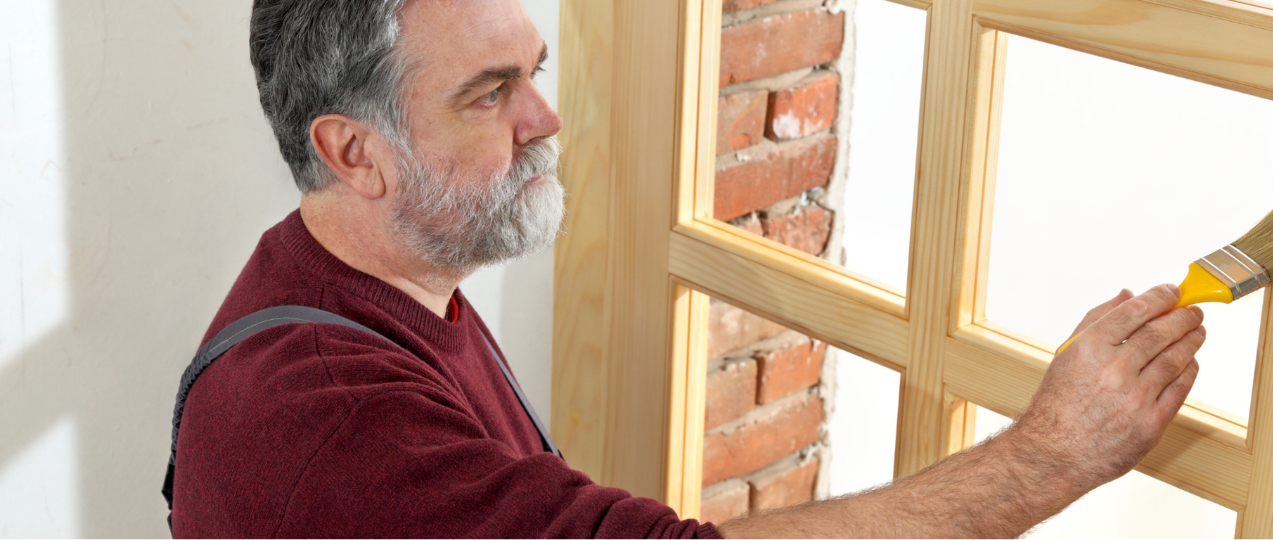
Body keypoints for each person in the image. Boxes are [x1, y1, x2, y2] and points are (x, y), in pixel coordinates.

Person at [169, 0, 1206, 537]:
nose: (545, 118)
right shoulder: (327, 417)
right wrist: (1054, 455)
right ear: (355, 153)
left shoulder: (382, 283)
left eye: (534, 71)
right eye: (489, 95)